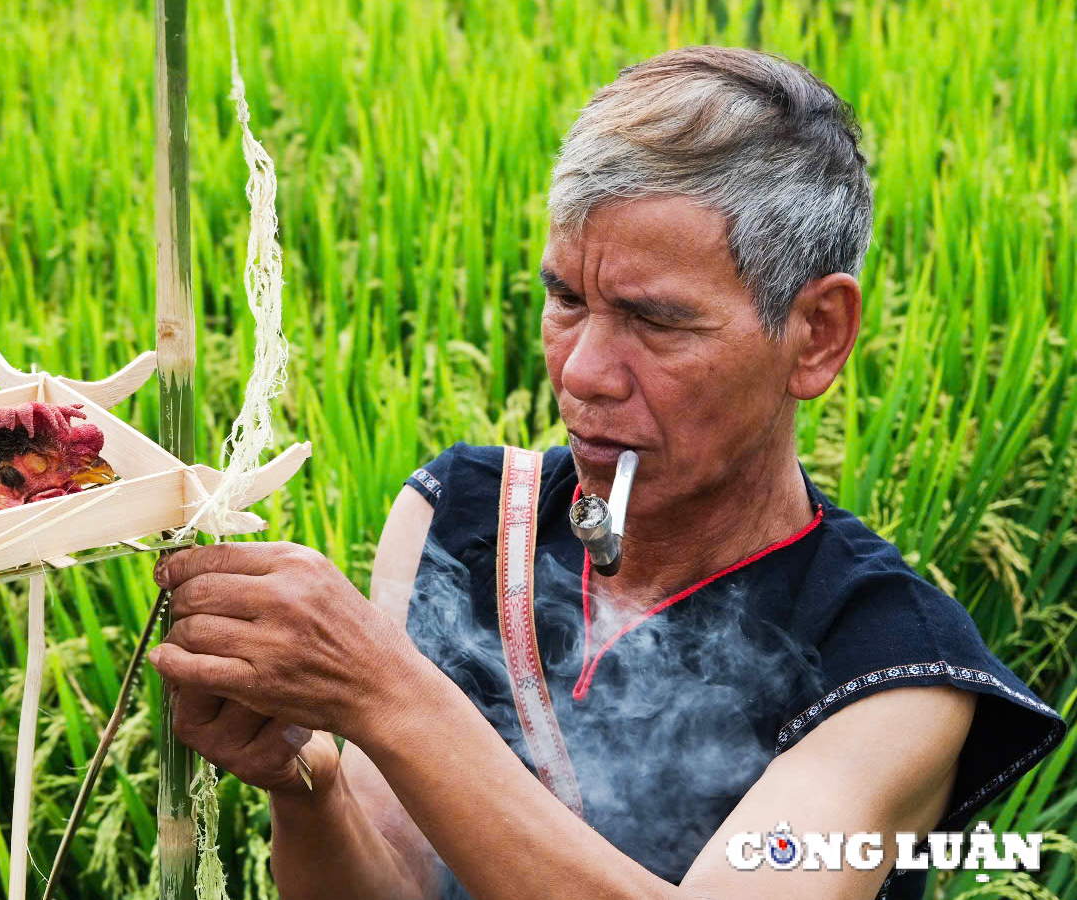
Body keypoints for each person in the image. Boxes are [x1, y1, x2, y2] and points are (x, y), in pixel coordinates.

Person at [145, 46, 1066, 900]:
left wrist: (389, 696)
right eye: (564, 299)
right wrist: (310, 790)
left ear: (815, 334)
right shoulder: (463, 519)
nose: (581, 371)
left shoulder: (892, 669)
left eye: (657, 321)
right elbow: (390, 884)